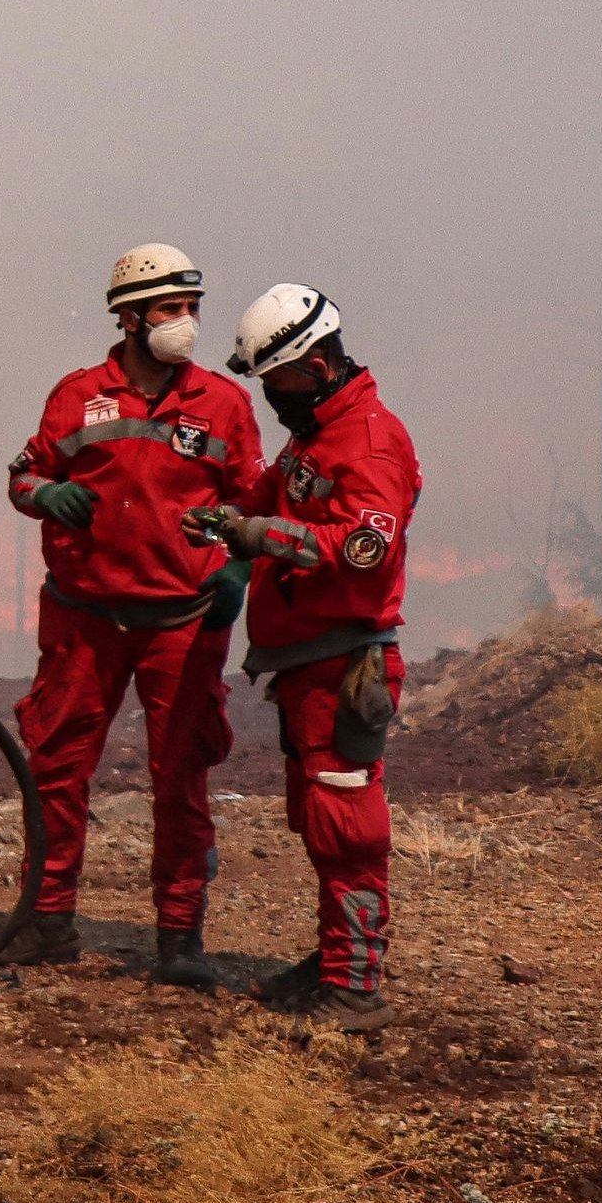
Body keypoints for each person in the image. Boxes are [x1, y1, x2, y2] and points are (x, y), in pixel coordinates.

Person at [2, 243, 259, 980]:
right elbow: (24, 477)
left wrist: (238, 564)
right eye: (170, 308)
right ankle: (46, 921)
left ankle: (180, 939)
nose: (186, 322)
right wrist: (44, 494)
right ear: (129, 317)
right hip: (85, 618)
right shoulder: (76, 396)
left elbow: (252, 500)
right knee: (56, 765)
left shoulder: (224, 402)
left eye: (192, 307)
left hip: (183, 621)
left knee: (180, 778)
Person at [185, 286, 420, 1033]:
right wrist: (230, 516)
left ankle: (356, 983)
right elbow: (276, 497)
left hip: (346, 662)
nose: (270, 396)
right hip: (306, 663)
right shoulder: (317, 433)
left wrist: (260, 537)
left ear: (316, 366)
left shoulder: (371, 442)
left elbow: (362, 553)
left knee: (347, 824)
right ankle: (333, 961)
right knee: (321, 820)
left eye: (277, 381)